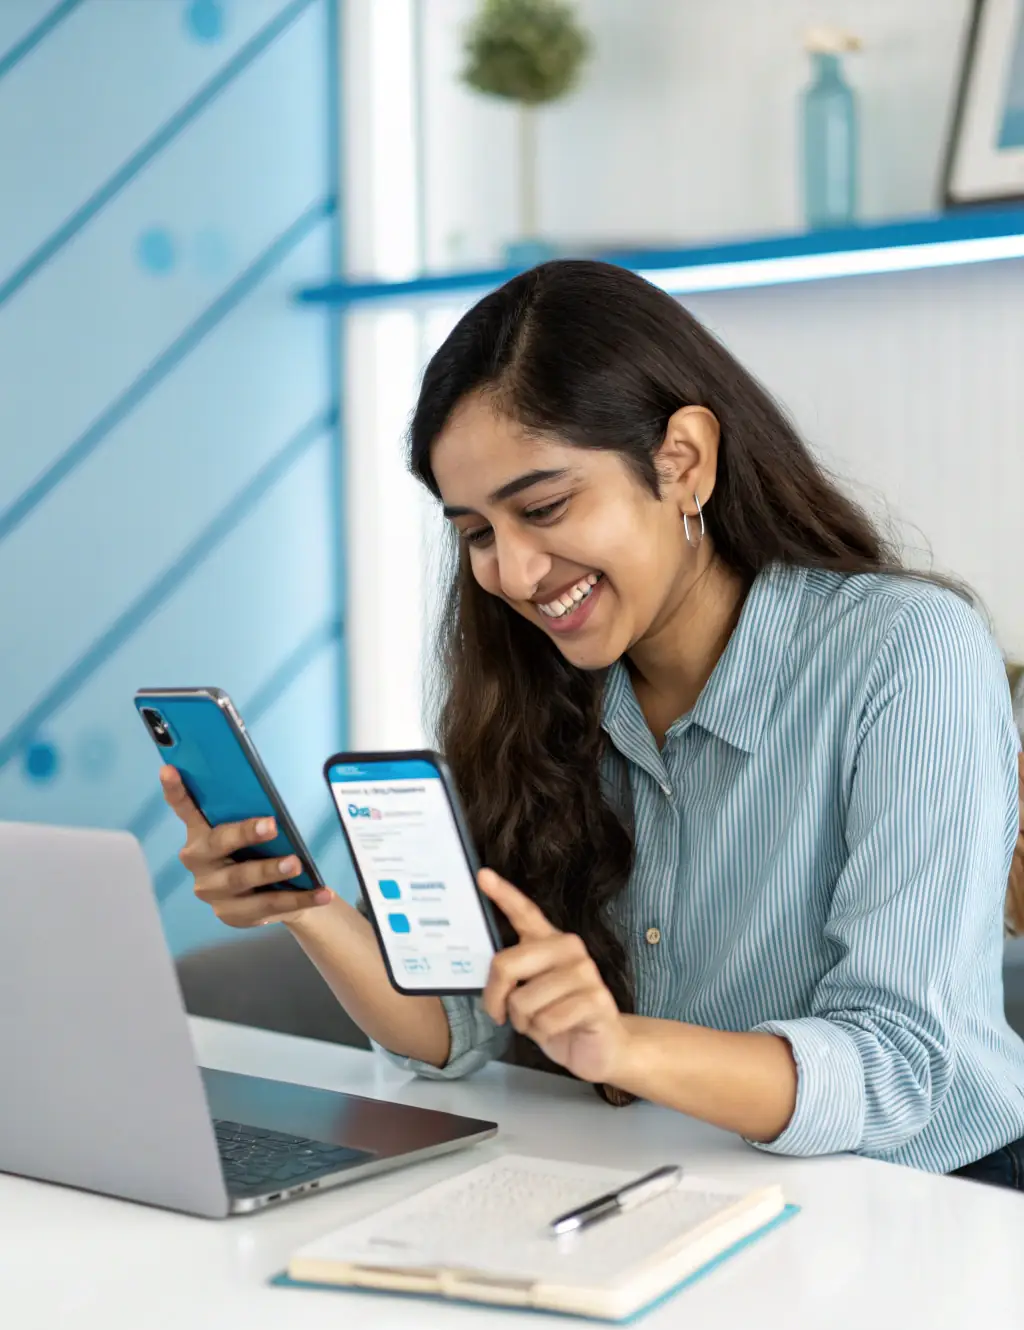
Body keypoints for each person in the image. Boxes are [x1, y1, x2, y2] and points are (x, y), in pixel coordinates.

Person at [162, 260, 1024, 1189]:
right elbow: (458, 1025)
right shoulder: (539, 692)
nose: (515, 573)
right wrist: (306, 905)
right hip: (675, 1184)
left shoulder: (905, 652)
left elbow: (899, 1065)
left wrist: (624, 1047)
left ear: (682, 460)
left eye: (543, 507)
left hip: (932, 1202)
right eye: (477, 532)